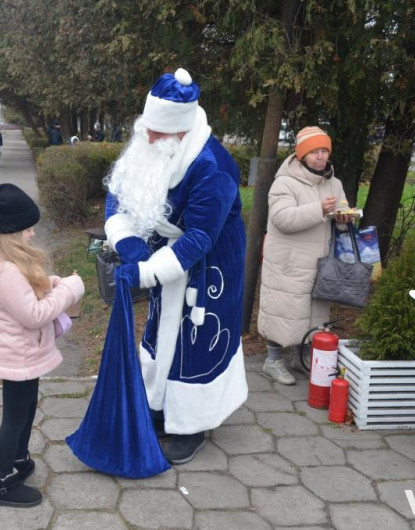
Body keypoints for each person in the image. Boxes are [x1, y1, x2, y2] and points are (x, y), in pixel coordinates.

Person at [104, 68, 248, 465]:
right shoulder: (148, 140)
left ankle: (193, 423)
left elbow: (200, 238)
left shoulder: (212, 166)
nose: (147, 138)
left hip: (211, 260)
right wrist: (128, 241)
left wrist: (147, 271)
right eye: (147, 128)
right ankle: (158, 401)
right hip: (162, 250)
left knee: (195, 337)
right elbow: (118, 194)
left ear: (180, 132)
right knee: (159, 325)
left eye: (158, 133)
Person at [0, 183, 84, 507]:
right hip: (18, 357)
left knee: (25, 412)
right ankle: (2, 482)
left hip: (23, 355)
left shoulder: (4, 263)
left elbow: (20, 297)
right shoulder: (3, 270)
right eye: (27, 228)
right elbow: (34, 315)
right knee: (14, 419)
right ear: (10, 233)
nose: (32, 234)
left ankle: (19, 461)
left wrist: (46, 284)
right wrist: (70, 290)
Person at [258, 126, 353, 385]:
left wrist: (344, 219)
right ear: (302, 155)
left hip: (319, 261)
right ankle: (273, 360)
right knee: (283, 311)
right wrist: (319, 209)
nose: (320, 157)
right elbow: (282, 218)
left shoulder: (335, 183)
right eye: (314, 152)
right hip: (288, 262)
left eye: (324, 151)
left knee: (314, 312)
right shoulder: (285, 182)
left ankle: (302, 357)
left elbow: (339, 217)